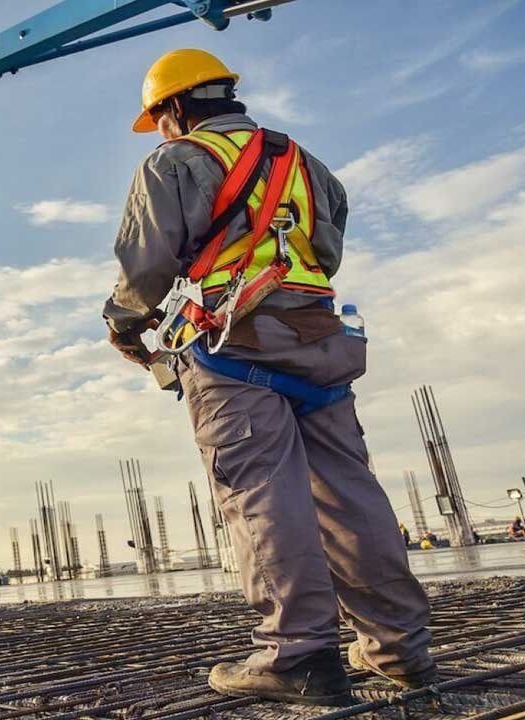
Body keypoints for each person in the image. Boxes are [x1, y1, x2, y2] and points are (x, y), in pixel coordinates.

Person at [103, 49, 436, 705]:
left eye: (160, 118)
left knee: (261, 493)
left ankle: (300, 655)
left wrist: (122, 324)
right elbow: (328, 249)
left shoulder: (172, 162)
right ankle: (399, 649)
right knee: (349, 494)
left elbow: (146, 268)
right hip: (319, 340)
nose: (161, 130)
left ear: (174, 108)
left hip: (232, 348)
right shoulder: (304, 163)